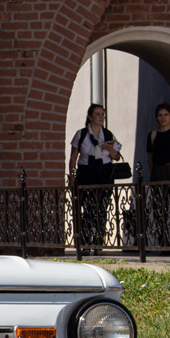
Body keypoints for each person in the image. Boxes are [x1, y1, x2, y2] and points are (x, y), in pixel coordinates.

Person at [67, 103, 124, 252]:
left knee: (102, 208)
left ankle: (98, 241)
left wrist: (110, 149)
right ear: (90, 117)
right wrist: (72, 177)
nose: (101, 117)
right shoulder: (81, 134)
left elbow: (117, 157)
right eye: (97, 114)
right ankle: (85, 242)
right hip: (86, 173)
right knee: (87, 208)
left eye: (103, 114)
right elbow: (73, 158)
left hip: (104, 173)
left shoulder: (108, 135)